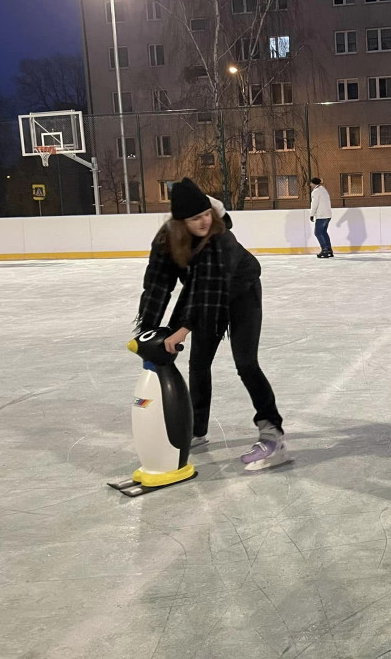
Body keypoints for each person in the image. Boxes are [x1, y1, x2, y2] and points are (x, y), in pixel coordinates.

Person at [135, 178, 289, 471]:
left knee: (246, 363)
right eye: (196, 218)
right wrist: (148, 330)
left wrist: (182, 328)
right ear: (181, 222)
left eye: (207, 213)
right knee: (199, 362)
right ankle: (196, 429)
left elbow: (212, 288)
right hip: (203, 296)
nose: (205, 221)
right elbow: (157, 286)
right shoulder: (167, 240)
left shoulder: (220, 237)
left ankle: (273, 434)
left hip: (241, 293)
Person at [309, 177, 333, 258]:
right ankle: (329, 250)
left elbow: (314, 204)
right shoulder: (323, 190)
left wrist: (311, 214)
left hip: (321, 215)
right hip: (327, 215)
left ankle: (325, 250)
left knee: (318, 233)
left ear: (313, 183)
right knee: (323, 232)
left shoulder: (316, 192)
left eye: (311, 183)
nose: (310, 185)